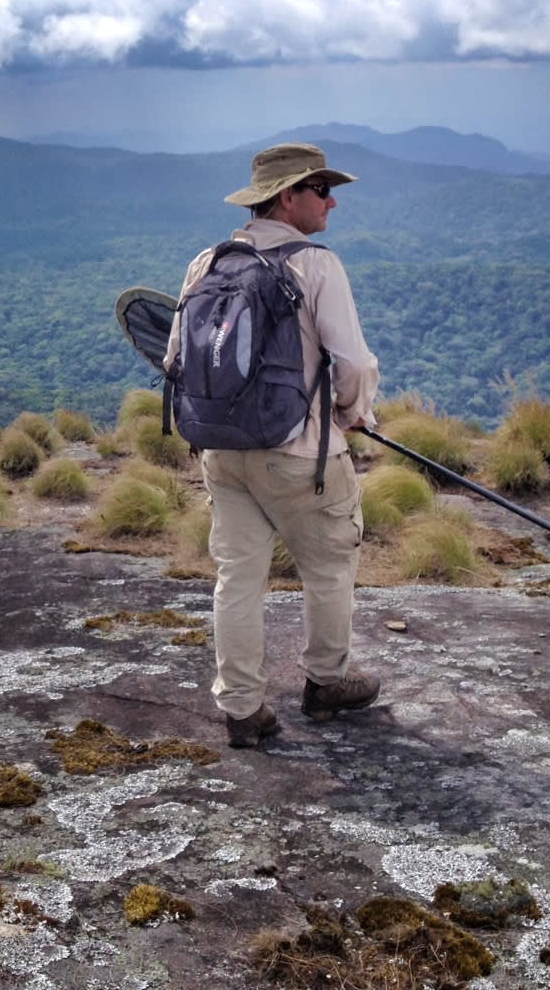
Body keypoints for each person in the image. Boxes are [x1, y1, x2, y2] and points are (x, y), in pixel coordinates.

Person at [164, 142, 382, 749]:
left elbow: (175, 357)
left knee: (238, 578)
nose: (332, 202)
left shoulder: (207, 263)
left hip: (222, 453)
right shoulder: (316, 265)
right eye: (321, 190)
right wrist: (351, 415)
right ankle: (326, 684)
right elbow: (354, 364)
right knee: (329, 568)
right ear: (288, 197)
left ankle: (242, 709)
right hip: (299, 453)